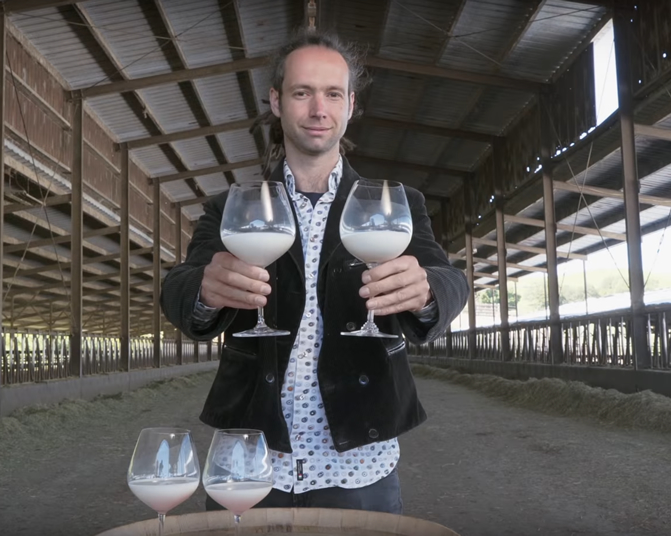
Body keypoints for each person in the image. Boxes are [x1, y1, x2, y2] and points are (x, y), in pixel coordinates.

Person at [160, 29, 469, 514]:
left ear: (349, 104)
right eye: (302, 93)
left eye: (332, 94)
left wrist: (427, 290)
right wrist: (204, 289)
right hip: (249, 462)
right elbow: (177, 288)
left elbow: (449, 278)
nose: (318, 109)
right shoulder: (234, 207)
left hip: (359, 464)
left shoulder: (395, 204)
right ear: (277, 101)